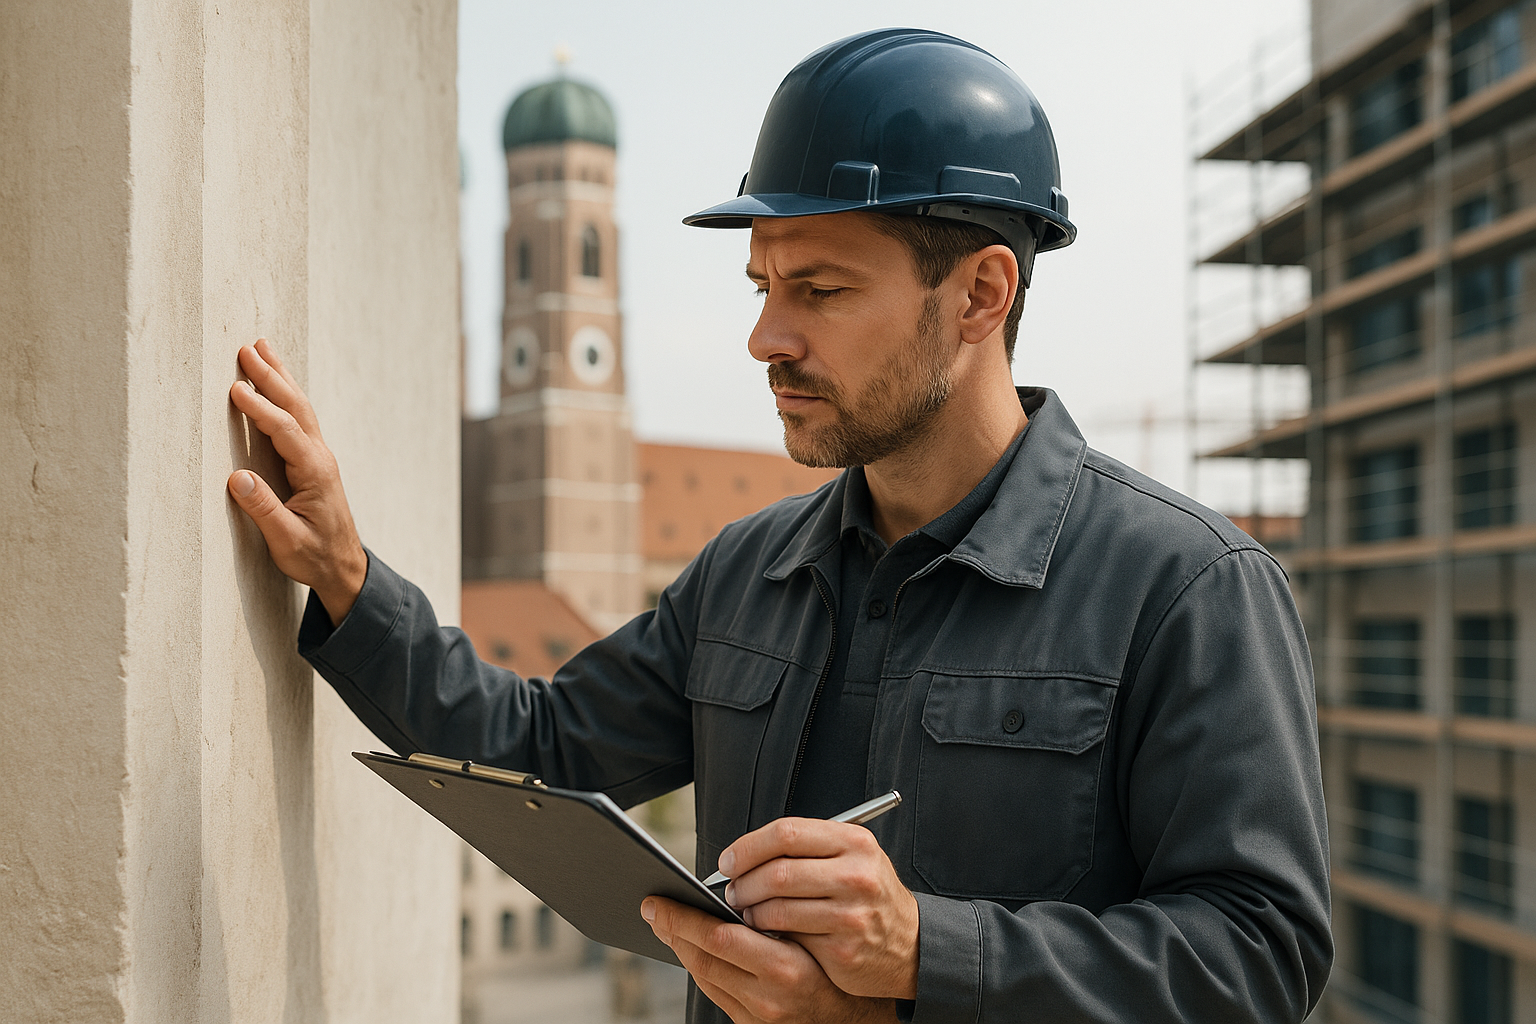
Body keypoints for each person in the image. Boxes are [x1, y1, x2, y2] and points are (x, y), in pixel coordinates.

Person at [227, 28, 1331, 1024]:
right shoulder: (746, 572)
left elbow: (1260, 955)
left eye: (820, 290)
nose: (766, 337)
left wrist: (924, 954)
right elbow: (544, 754)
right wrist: (346, 575)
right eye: (762, 285)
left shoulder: (1187, 588)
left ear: (981, 295)